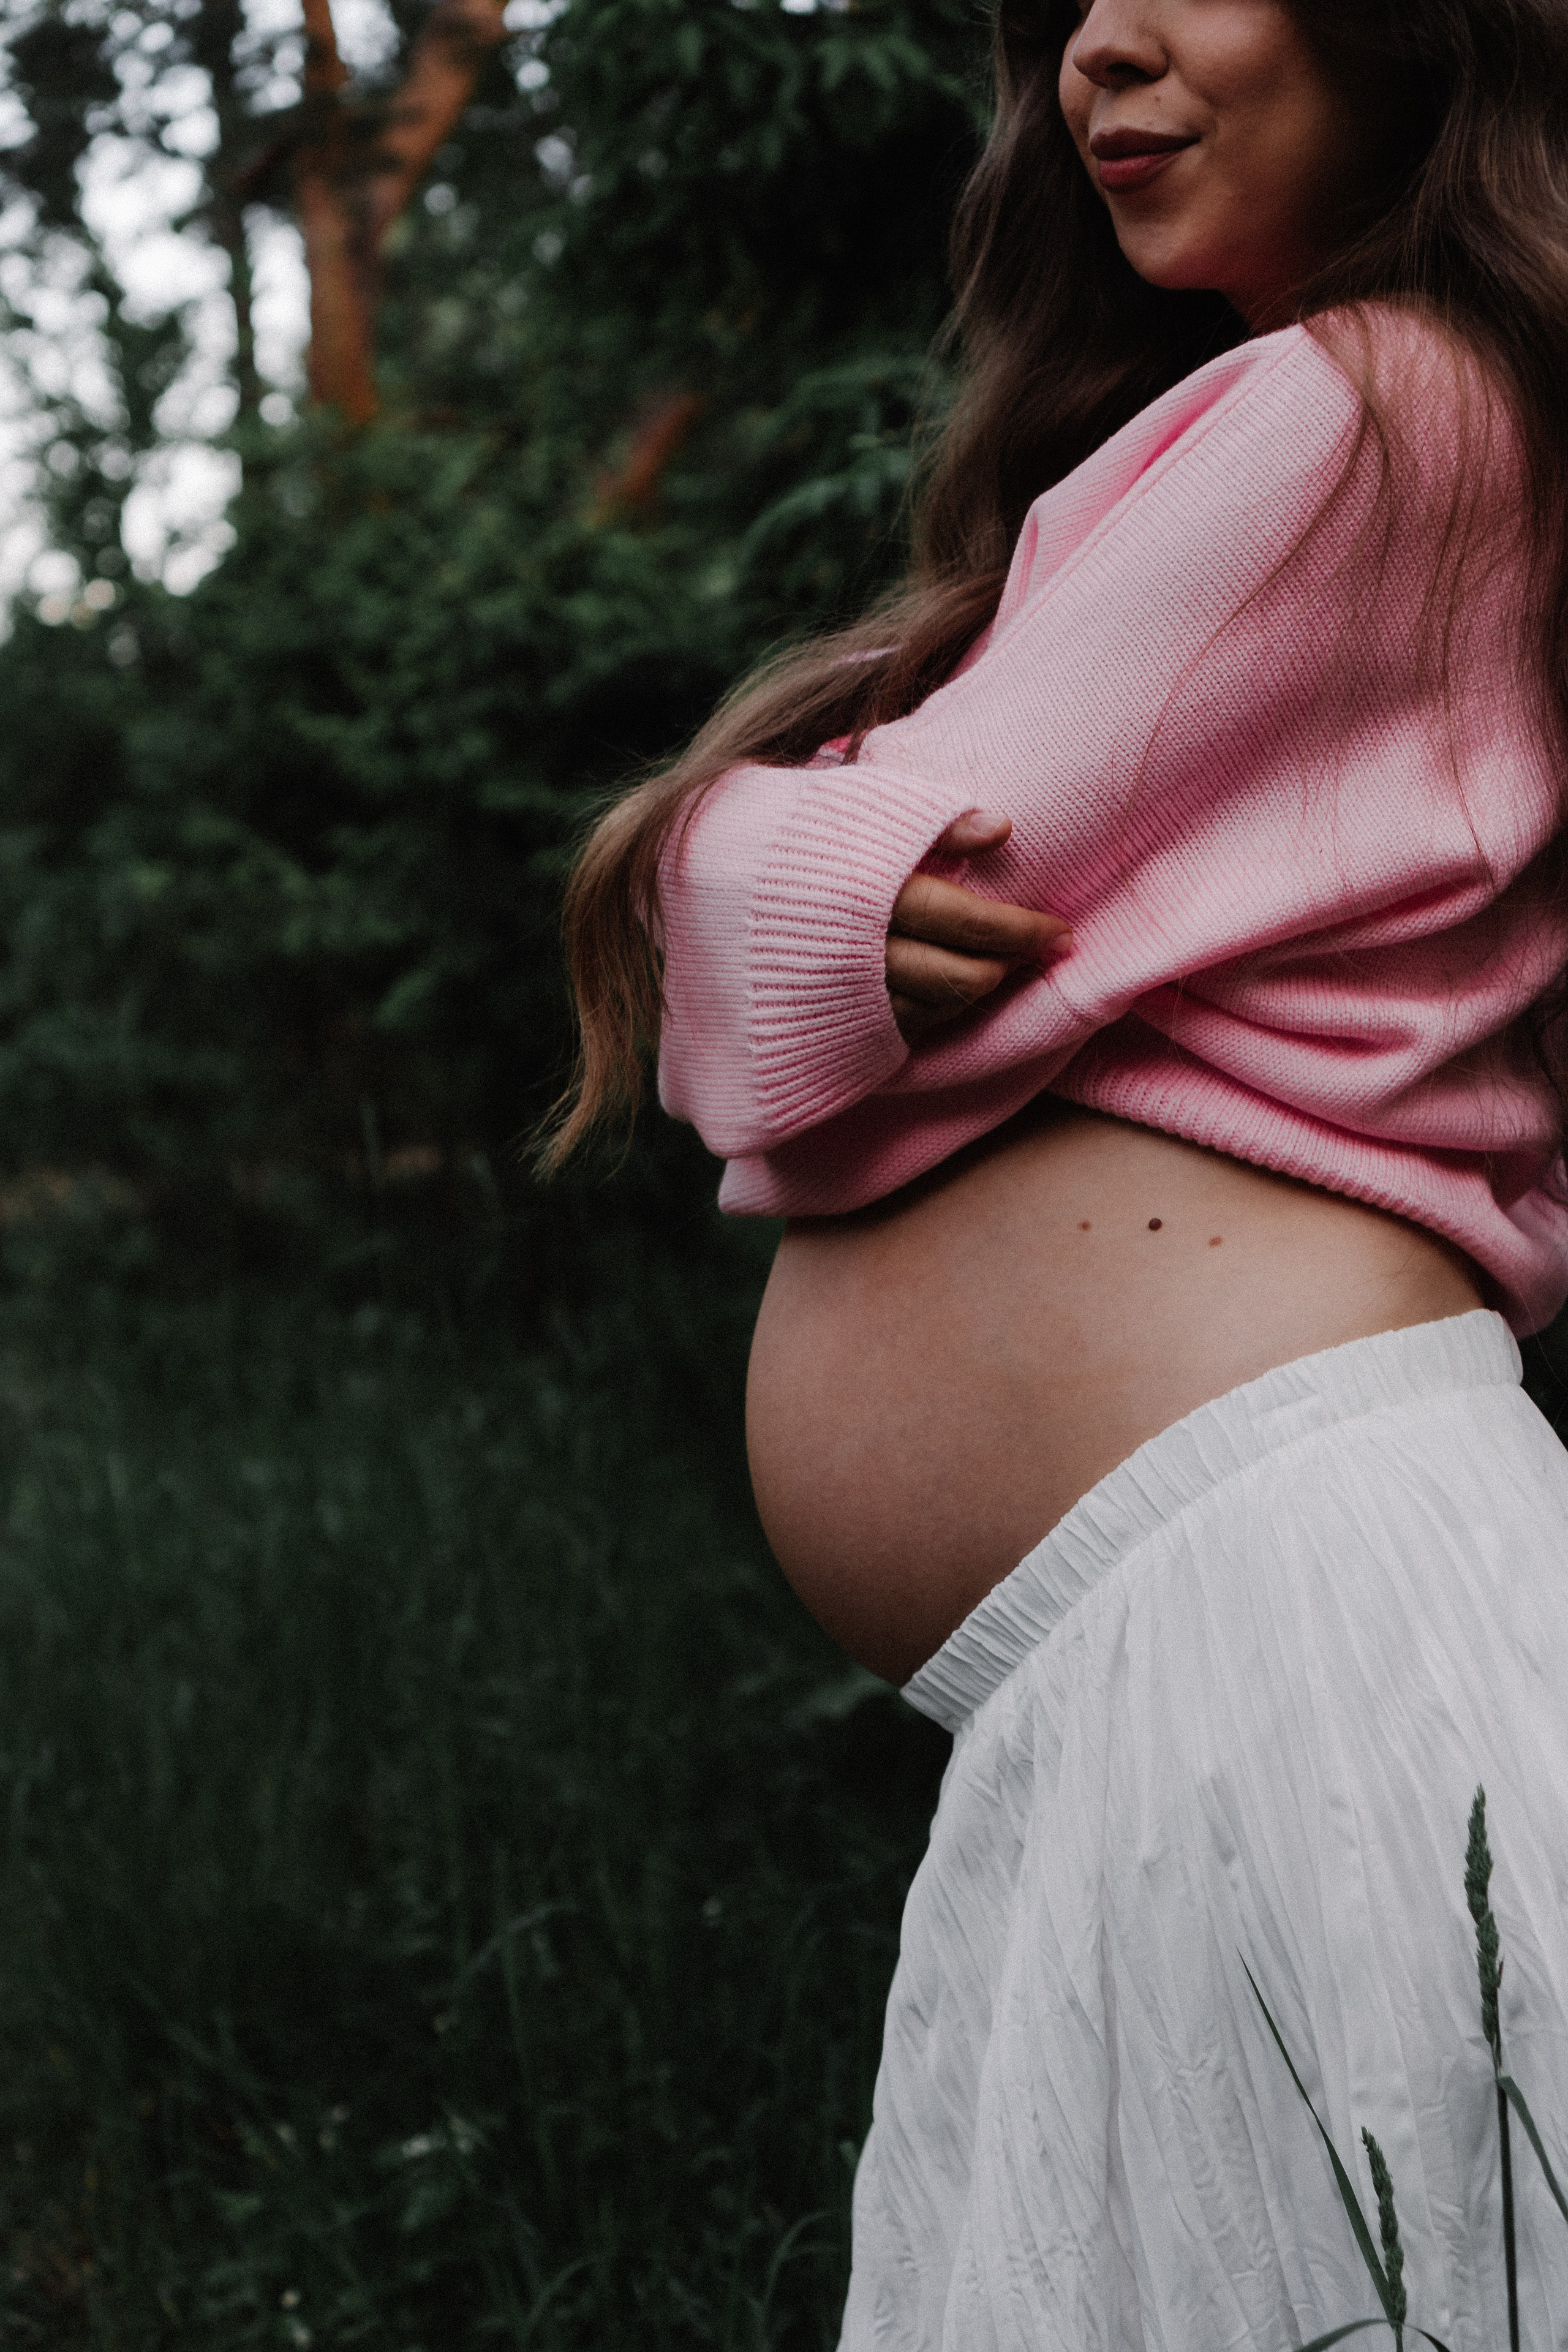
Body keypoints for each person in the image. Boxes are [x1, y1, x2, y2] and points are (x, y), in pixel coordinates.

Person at [550, 0, 1568, 2342]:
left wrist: (707, 850)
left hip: (1286, 1605)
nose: (1097, 42)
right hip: (1203, 1640)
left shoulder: (1370, 401)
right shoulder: (1336, 418)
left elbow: (897, 1014)